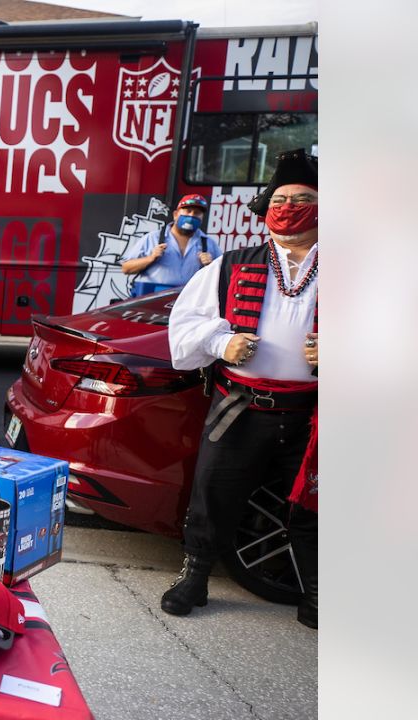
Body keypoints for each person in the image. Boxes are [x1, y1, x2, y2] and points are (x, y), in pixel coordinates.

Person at [160, 148, 319, 628]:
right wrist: (223, 342)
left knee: (316, 505)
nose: (290, 205)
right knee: (212, 494)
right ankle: (194, 579)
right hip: (241, 407)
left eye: (305, 197)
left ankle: (317, 593)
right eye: (282, 197)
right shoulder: (231, 265)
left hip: (314, 414)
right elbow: (183, 326)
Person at [121, 194, 223, 297]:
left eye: (197, 213)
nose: (191, 216)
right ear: (175, 214)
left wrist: (211, 266)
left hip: (189, 298)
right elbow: (126, 268)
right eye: (187, 211)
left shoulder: (209, 243)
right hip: (153, 297)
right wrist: (150, 258)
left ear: (202, 218)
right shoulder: (153, 238)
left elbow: (223, 276)